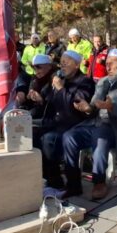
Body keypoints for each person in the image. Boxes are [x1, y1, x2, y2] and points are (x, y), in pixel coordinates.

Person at [61, 48, 117, 200]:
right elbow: (93, 107)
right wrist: (87, 108)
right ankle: (73, 184)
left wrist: (112, 107)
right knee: (69, 136)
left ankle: (99, 181)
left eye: (112, 64)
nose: (108, 67)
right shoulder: (103, 82)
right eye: (106, 64)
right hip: (95, 124)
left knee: (100, 135)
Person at [38, 51, 95, 192]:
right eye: (61, 61)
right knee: (33, 135)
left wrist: (61, 89)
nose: (62, 65)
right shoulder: (60, 79)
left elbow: (75, 105)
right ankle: (51, 178)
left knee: (49, 139)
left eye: (66, 62)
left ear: (76, 65)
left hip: (74, 123)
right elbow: (47, 100)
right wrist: (39, 96)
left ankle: (68, 184)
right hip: (55, 122)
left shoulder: (85, 82)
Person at [15, 54, 55, 119]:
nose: (36, 71)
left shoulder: (54, 79)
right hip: (34, 111)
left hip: (47, 116)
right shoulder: (34, 79)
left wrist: (42, 100)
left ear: (49, 66)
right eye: (34, 68)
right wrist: (29, 97)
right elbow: (28, 101)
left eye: (39, 67)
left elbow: (57, 105)